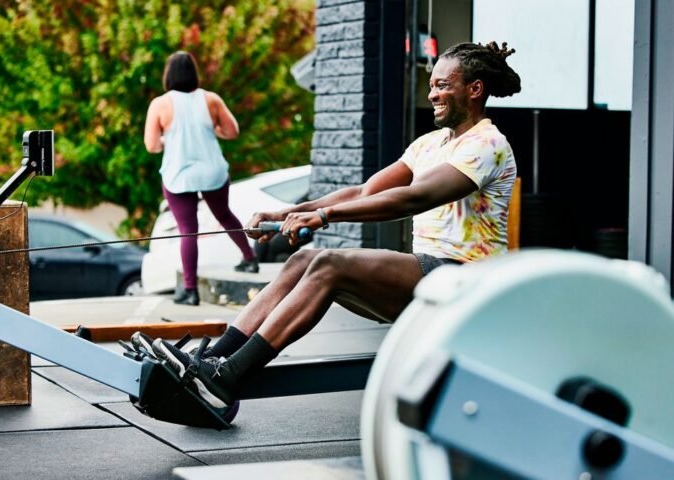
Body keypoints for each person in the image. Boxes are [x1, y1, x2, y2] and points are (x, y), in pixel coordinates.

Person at [140, 41, 521, 415]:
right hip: (429, 276)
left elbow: (415, 197)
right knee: (303, 259)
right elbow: (364, 190)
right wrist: (289, 212)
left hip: (465, 282)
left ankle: (226, 378)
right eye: (432, 83)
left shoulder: (487, 144)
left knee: (329, 265)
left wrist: (324, 218)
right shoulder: (430, 143)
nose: (432, 92)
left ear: (474, 89)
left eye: (443, 85)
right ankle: (209, 360)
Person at [144, 51, 259, 306]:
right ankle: (250, 258)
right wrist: (209, 130)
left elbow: (151, 145)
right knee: (225, 215)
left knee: (188, 231)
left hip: (179, 174)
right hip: (212, 171)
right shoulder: (211, 99)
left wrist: (169, 139)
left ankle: (190, 290)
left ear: (168, 75)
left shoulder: (160, 104)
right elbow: (232, 131)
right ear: (193, 73)